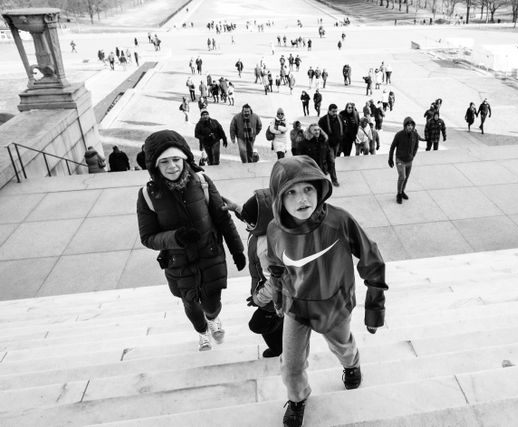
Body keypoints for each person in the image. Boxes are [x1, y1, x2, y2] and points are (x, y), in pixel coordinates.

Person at [267, 155, 387, 427]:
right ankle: (297, 399)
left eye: (308, 189)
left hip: (334, 305)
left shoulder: (339, 220)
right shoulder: (275, 230)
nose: (302, 199)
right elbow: (276, 267)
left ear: (319, 189)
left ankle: (351, 364)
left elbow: (371, 258)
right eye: (292, 192)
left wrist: (375, 306)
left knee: (343, 348)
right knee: (291, 365)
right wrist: (277, 295)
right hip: (296, 307)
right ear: (279, 199)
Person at [137, 130, 246, 351]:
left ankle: (213, 318)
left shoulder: (202, 181)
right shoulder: (148, 194)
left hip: (210, 256)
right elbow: (147, 237)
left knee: (212, 302)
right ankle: (202, 331)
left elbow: (222, 217)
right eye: (164, 161)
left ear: (185, 158)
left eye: (176, 159)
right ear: (154, 166)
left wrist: (237, 249)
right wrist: (175, 238)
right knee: (190, 304)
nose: (172, 166)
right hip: (179, 263)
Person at [224, 190, 283, 358]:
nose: (247, 226)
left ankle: (279, 348)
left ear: (261, 223)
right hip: (265, 290)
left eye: (250, 224)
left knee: (258, 325)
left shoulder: (266, 248)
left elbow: (275, 282)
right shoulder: (266, 225)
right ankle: (280, 324)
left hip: (273, 297)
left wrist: (259, 298)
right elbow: (255, 215)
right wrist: (236, 208)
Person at [388, 117, 425, 204]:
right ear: (405, 126)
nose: (410, 127)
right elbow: (392, 147)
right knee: (402, 177)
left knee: (406, 178)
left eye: (411, 125)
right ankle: (399, 194)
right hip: (400, 160)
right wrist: (390, 158)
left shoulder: (415, 135)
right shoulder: (399, 135)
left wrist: (413, 155)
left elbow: (416, 146)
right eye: (408, 125)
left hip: (409, 161)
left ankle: (402, 191)